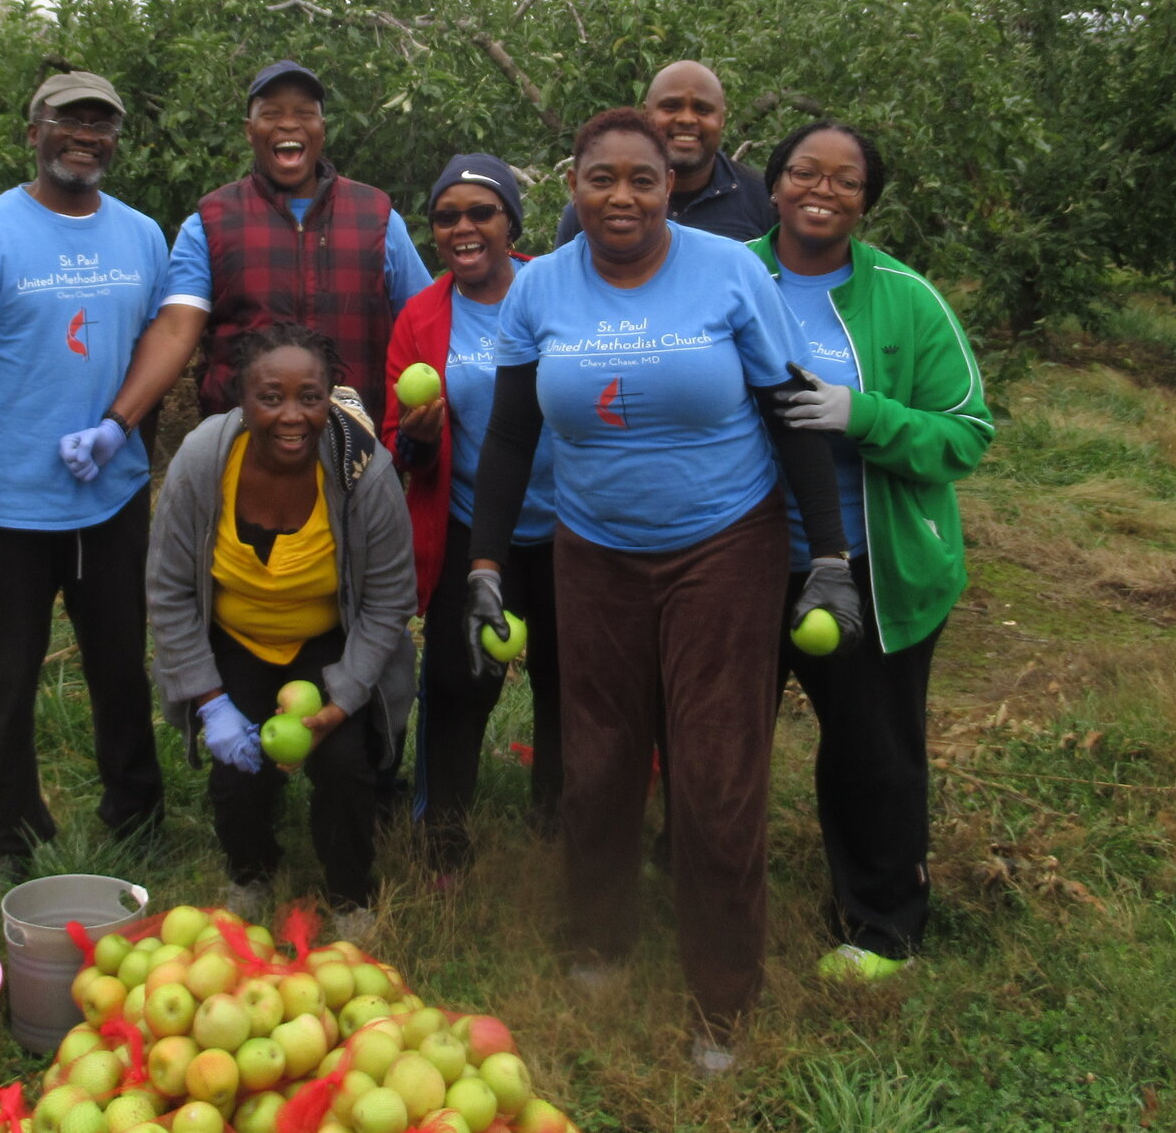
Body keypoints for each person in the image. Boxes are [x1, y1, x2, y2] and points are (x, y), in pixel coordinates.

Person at [463, 109, 862, 1074]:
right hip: (592, 550)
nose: (623, 197)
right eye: (602, 178)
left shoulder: (730, 273)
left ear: (671, 185)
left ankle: (721, 999)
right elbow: (514, 435)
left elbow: (793, 411)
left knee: (717, 770)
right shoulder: (540, 289)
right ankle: (599, 942)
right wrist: (483, 566)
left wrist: (831, 560)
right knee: (596, 759)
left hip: (722, 549)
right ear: (574, 183)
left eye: (643, 179)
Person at [0, 71, 171, 875]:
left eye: (102, 122)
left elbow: (153, 362)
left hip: (110, 502)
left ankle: (136, 813)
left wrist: (133, 458)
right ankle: (15, 829)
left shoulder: (141, 236)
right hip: (4, 511)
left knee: (121, 665)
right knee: (5, 681)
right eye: (70, 120)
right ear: (35, 131)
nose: (86, 134)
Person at [754, 120, 992, 981]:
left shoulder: (905, 297)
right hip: (742, 558)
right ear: (773, 183)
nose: (822, 189)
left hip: (871, 565)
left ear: (866, 200)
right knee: (724, 734)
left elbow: (966, 433)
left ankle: (883, 923)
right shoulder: (731, 274)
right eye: (803, 172)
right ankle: (713, 891)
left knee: (871, 746)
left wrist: (866, 415)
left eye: (845, 180)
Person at [146, 322, 418, 939]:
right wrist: (210, 701)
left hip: (329, 639)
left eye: (310, 397)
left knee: (346, 762)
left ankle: (351, 894)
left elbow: (388, 601)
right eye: (271, 397)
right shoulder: (203, 461)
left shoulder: (362, 472)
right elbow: (168, 591)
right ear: (242, 399)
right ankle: (250, 871)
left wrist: (345, 698)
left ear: (330, 397)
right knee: (238, 775)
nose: (292, 416)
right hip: (236, 636)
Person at [66, 60, 431, 463]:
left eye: (304, 114)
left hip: (355, 454)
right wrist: (118, 423)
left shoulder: (378, 217)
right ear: (249, 130)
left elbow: (425, 327)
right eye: (271, 114)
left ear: (322, 131)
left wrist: (419, 431)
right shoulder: (209, 222)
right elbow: (174, 333)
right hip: (243, 455)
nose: (288, 125)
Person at [380, 153, 564, 867]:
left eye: (480, 212)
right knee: (459, 679)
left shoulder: (555, 290)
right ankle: (443, 835)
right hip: (470, 522)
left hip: (574, 523)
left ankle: (559, 825)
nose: (463, 227)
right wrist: (419, 442)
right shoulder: (422, 316)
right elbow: (402, 444)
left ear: (511, 220)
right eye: (446, 216)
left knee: (570, 679)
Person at [552, 59, 772, 246]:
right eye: (671, 106)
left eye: (702, 109)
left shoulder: (760, 198)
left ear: (722, 119)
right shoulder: (595, 207)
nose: (686, 119)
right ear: (646, 114)